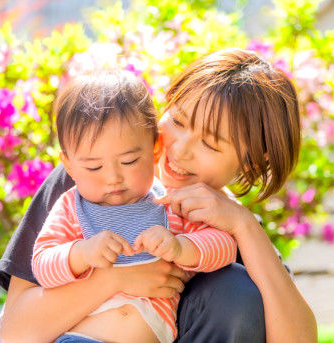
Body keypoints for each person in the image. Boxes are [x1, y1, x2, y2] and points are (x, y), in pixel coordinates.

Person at [0, 48, 317, 343]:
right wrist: (114, 280)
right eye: (177, 120)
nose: (180, 149)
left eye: (210, 143)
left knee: (237, 290)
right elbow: (17, 332)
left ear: (252, 160)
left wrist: (245, 227)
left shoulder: (229, 229)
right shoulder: (90, 184)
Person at [32, 70, 237, 343]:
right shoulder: (72, 206)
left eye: (128, 162)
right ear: (69, 164)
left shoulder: (170, 202)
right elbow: (42, 264)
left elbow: (224, 246)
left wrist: (181, 247)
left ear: (154, 150)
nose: (113, 178)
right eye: (94, 166)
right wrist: (81, 253)